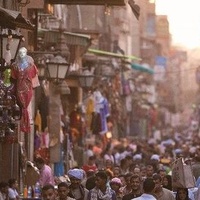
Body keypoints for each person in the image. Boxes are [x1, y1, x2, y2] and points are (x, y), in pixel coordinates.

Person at [11, 47, 39, 133]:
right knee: (23, 107)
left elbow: (13, 77)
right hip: (23, 89)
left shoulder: (28, 66)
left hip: (23, 89)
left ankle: (25, 122)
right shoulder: (17, 66)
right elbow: (14, 77)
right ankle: (24, 123)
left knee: (25, 106)